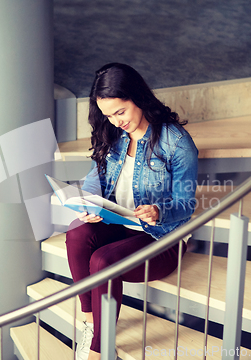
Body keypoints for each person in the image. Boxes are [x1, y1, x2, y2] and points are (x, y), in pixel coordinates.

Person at [65, 63, 198, 360]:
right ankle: (89, 321)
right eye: (108, 115)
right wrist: (89, 201)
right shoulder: (111, 133)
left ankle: (101, 349)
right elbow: (94, 176)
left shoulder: (176, 143)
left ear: (137, 97)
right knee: (77, 233)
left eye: (120, 112)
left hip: (160, 237)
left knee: (102, 260)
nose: (115, 121)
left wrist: (157, 212)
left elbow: (186, 205)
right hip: (120, 223)